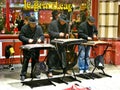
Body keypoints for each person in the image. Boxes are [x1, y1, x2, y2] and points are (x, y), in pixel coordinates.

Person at [18, 16, 44, 81]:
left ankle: (34, 73)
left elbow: (42, 35)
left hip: (35, 47)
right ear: (29, 23)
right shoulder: (24, 28)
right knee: (25, 61)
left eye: (35, 23)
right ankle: (23, 74)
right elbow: (20, 36)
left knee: (35, 61)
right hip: (27, 47)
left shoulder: (39, 28)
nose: (33, 25)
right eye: (32, 23)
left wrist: (40, 39)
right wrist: (27, 40)